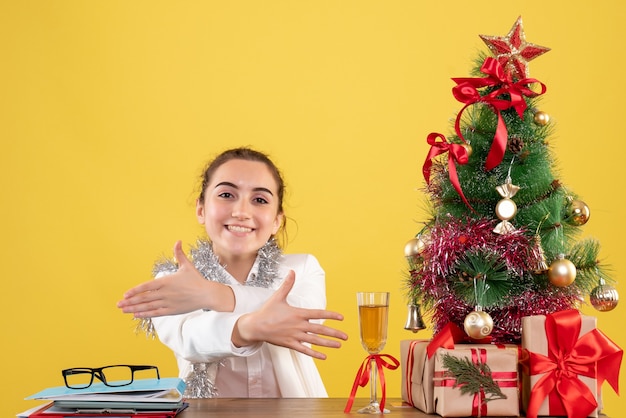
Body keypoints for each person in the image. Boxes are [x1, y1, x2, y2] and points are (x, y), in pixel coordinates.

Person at [117, 147, 348, 398]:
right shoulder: (174, 280)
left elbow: (305, 318)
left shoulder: (302, 268)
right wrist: (247, 328)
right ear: (201, 209)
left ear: (276, 221)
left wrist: (211, 295)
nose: (241, 212)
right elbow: (190, 340)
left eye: (259, 200)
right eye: (226, 194)